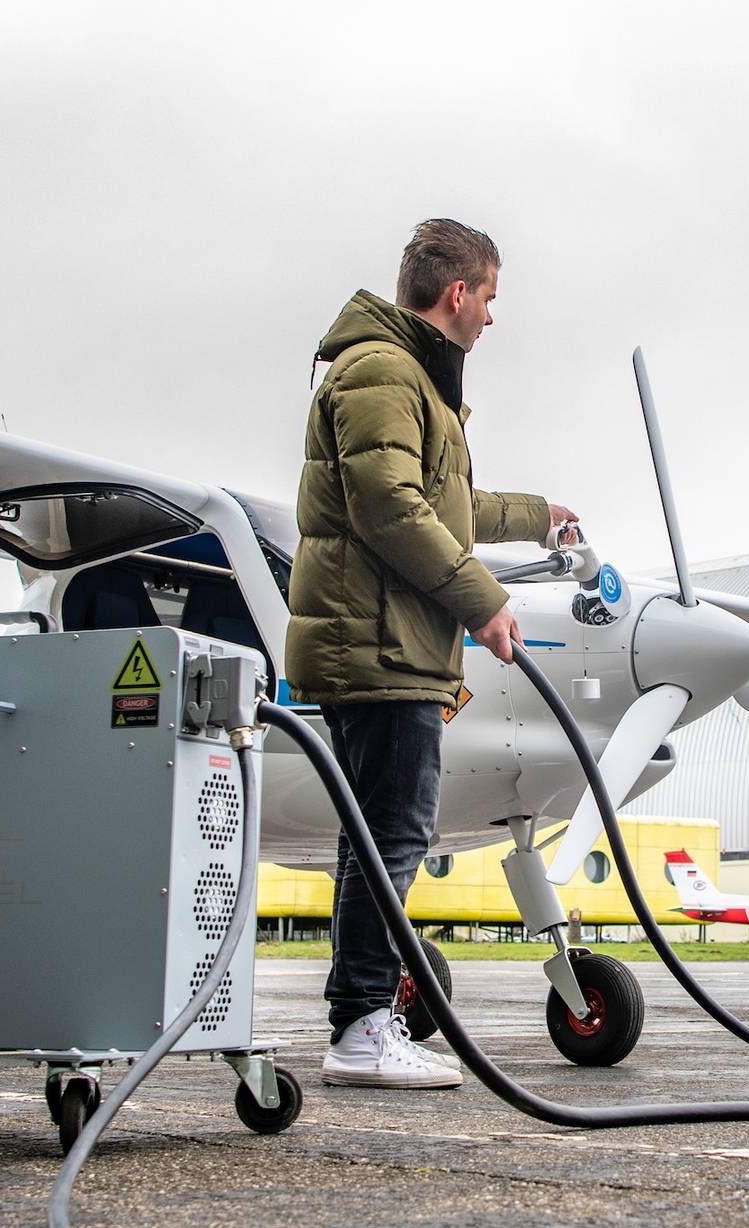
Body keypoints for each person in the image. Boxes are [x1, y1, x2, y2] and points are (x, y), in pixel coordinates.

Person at [288, 219, 576, 1089]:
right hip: (376, 645)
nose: (490, 316)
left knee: (377, 838)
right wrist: (482, 601)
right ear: (458, 293)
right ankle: (361, 1028)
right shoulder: (381, 371)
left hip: (390, 641)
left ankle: (363, 1019)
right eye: (488, 296)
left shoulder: (406, 378)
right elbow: (390, 508)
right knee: (393, 833)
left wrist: (536, 516)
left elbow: (442, 501)